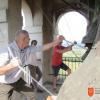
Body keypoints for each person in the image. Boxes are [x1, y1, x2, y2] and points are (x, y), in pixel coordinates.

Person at [0, 30, 64, 100]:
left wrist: (56, 42)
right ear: (23, 39)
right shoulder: (7, 50)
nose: (30, 39)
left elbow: (42, 47)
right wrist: (10, 66)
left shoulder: (27, 49)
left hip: (17, 81)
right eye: (28, 38)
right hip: (4, 84)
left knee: (32, 94)